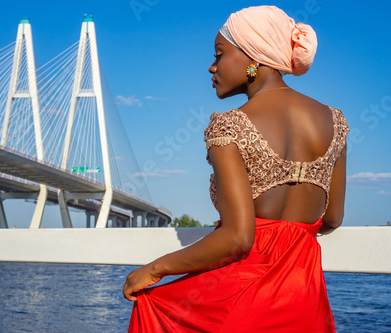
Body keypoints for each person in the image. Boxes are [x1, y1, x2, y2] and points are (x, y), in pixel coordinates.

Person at [123, 5, 349, 332]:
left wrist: (154, 269)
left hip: (240, 304)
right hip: (305, 302)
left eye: (219, 53)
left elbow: (238, 238)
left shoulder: (228, 126)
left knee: (152, 309)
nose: (211, 66)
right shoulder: (336, 122)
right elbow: (332, 219)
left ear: (253, 57)